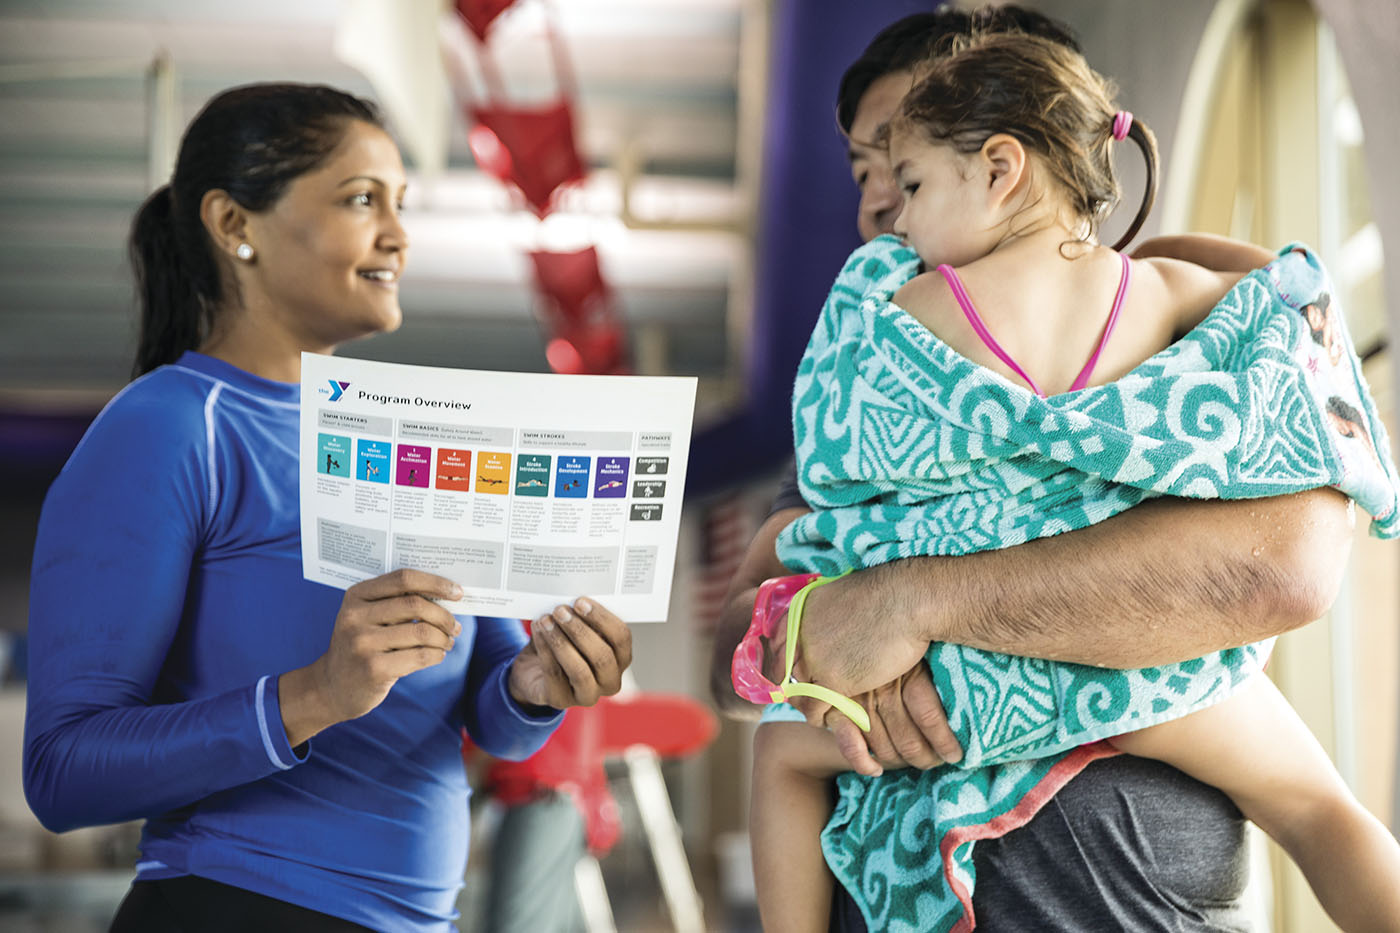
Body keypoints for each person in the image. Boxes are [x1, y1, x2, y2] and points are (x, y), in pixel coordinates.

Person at [706, 7, 1355, 931]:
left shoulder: (890, 345)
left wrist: (908, 603)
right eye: (864, 174)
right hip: (1145, 713)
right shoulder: (1163, 315)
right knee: (1328, 812)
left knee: (780, 756)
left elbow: (1285, 566)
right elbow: (732, 647)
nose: (878, 206)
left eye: (906, 172)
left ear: (1003, 162)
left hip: (1134, 888)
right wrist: (810, 634)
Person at [22, 83, 633, 932]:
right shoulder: (169, 428)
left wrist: (538, 681)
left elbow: (495, 714)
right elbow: (62, 771)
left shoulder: (419, 434)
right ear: (236, 225)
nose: (399, 235)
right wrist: (315, 694)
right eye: (360, 199)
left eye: (401, 204)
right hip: (233, 909)